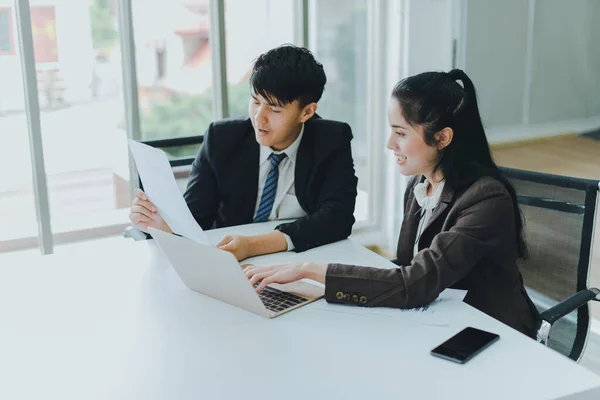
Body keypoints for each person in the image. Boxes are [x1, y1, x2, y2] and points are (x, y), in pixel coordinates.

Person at [245, 69, 539, 337]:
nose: (389, 144)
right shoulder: (420, 186)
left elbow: (417, 281)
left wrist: (310, 270)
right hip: (439, 318)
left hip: (489, 331)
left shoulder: (486, 199)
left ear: (442, 137)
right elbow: (408, 265)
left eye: (400, 133)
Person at [129, 45, 358, 261]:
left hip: (298, 262)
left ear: (307, 112)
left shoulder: (331, 139)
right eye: (255, 101)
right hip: (229, 263)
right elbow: (195, 219)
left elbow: (338, 217)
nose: (259, 117)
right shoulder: (222, 139)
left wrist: (253, 245)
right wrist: (161, 225)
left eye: (274, 108)